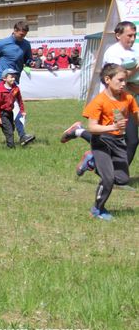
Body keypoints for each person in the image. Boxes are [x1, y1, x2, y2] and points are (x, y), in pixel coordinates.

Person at [62, 21, 139, 174]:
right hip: (113, 102)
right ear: (118, 35)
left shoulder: (134, 51)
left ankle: (91, 156)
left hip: (129, 100)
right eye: (129, 35)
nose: (132, 38)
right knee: (121, 139)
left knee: (124, 139)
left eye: (134, 35)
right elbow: (117, 81)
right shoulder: (113, 52)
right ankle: (114, 173)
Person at [82, 64, 138, 220]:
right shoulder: (99, 101)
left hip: (118, 142)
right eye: (120, 80)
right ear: (107, 79)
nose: (123, 84)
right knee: (108, 179)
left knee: (122, 178)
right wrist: (112, 126)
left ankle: (91, 161)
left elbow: (136, 115)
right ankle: (97, 209)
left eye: (125, 80)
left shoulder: (128, 98)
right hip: (102, 141)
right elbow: (92, 127)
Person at [0, 68, 26, 149]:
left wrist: (22, 111)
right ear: (5, 78)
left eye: (14, 77)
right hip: (2, 113)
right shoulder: (0, 90)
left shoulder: (16, 88)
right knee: (9, 131)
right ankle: (11, 147)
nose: (13, 78)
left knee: (12, 128)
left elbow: (20, 100)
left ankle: (9, 141)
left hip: (10, 112)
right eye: (11, 77)